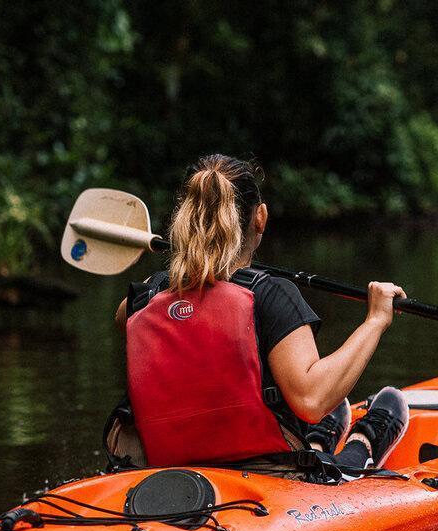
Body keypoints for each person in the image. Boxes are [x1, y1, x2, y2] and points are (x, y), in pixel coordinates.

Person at [110, 154, 410, 479]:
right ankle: (361, 443)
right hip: (267, 475)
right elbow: (312, 399)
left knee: (313, 424)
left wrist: (187, 264)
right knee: (379, 409)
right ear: (261, 217)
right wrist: (375, 320)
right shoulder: (269, 296)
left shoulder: (143, 299)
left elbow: (126, 315)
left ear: (185, 219)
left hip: (163, 475)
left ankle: (319, 444)